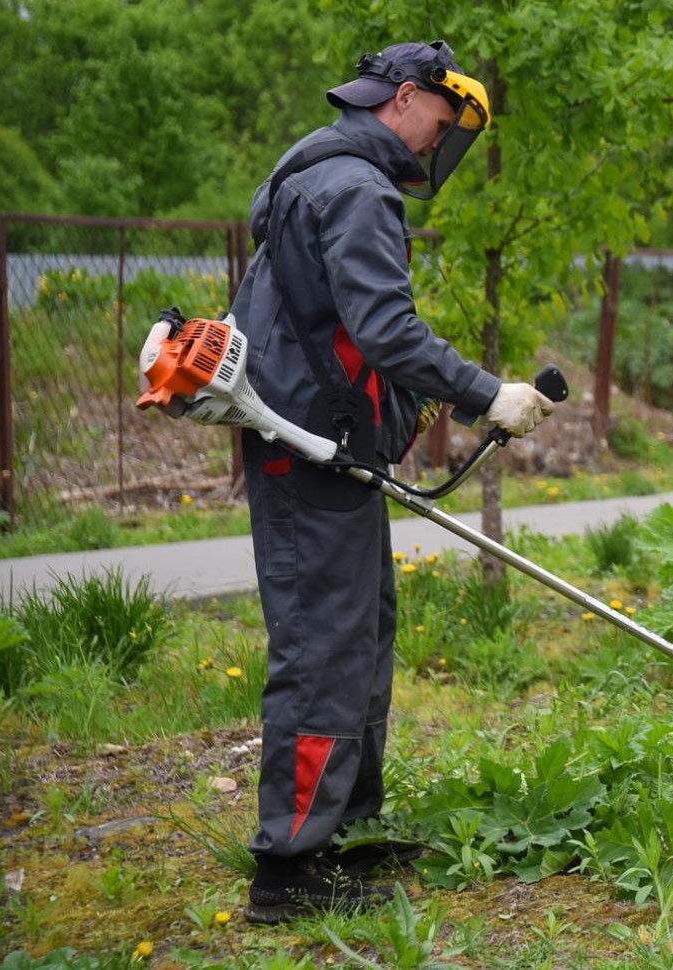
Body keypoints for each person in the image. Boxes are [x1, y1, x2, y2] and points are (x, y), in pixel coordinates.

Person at [227, 40, 554, 924]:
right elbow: (387, 331)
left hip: (327, 451)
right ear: (403, 99)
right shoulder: (356, 190)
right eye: (439, 126)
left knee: (361, 636)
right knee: (323, 652)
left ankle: (339, 833)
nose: (434, 148)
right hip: (309, 452)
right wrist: (491, 393)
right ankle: (288, 870)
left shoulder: (313, 172)